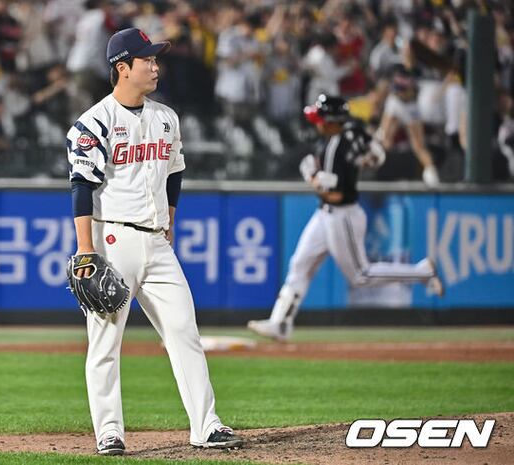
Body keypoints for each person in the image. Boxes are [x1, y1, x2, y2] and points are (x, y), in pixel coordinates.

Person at [66, 27, 243, 455]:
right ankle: (109, 432)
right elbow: (81, 186)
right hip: (113, 240)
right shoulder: (94, 122)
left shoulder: (167, 118)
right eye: (146, 60)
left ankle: (206, 426)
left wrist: (171, 220)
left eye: (155, 59)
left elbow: (175, 172)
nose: (155, 66)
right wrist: (86, 249)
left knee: (184, 331)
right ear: (123, 68)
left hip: (158, 242)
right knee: (105, 343)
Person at [247, 95, 444, 342]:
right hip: (325, 214)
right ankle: (280, 323)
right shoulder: (353, 131)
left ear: (331, 121)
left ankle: (422, 272)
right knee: (300, 265)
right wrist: (359, 162)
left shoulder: (334, 149)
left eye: (321, 118)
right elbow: (377, 156)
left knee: (361, 275)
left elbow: (336, 195)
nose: (317, 123)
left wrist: (312, 178)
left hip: (342, 214)